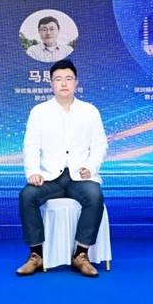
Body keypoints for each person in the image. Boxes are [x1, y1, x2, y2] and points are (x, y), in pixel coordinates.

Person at [16, 59, 107, 277]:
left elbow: (100, 144)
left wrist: (90, 167)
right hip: (50, 177)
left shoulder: (90, 111)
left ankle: (81, 254)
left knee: (95, 196)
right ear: (51, 84)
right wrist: (33, 172)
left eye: (68, 79)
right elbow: (30, 145)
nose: (64, 83)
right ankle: (36, 255)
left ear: (76, 82)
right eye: (58, 79)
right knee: (27, 196)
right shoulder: (39, 111)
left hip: (80, 177)